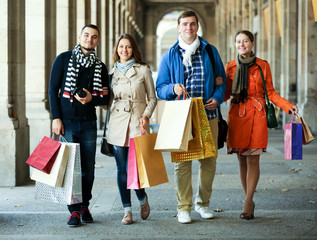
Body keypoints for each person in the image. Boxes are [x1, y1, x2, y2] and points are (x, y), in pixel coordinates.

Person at [156, 11, 226, 224]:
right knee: (182, 163)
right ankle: (183, 207)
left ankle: (203, 204)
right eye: (185, 24)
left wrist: (217, 98)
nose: (189, 28)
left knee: (209, 160)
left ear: (197, 26)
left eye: (193, 24)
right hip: (181, 116)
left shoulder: (210, 51)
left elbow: (221, 83)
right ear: (179, 27)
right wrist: (172, 88)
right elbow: (160, 88)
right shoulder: (169, 56)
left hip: (208, 113)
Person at [224, 30, 298, 220]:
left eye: (246, 41)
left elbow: (271, 93)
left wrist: (288, 106)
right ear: (235, 45)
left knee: (253, 158)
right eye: (239, 41)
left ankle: (248, 202)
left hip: (257, 115)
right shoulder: (230, 67)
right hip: (237, 115)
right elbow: (224, 93)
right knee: (241, 158)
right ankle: (247, 197)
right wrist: (210, 99)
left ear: (252, 43)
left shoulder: (263, 66)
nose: (242, 44)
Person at [49, 24, 110, 227]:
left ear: (98, 41)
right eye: (86, 35)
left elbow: (104, 97)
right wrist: (55, 118)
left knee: (88, 169)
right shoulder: (64, 59)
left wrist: (92, 98)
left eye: (94, 37)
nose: (89, 39)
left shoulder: (100, 66)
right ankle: (73, 210)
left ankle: (84, 205)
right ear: (79, 36)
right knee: (71, 169)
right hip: (67, 123)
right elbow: (53, 89)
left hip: (89, 123)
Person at [107, 34, 157, 225]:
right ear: (117, 49)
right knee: (121, 170)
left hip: (137, 122)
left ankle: (142, 200)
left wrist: (145, 116)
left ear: (133, 49)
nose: (124, 50)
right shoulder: (111, 73)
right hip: (118, 122)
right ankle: (127, 211)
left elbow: (153, 98)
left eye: (128, 47)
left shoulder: (143, 70)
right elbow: (107, 102)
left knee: (135, 169)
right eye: (121, 47)